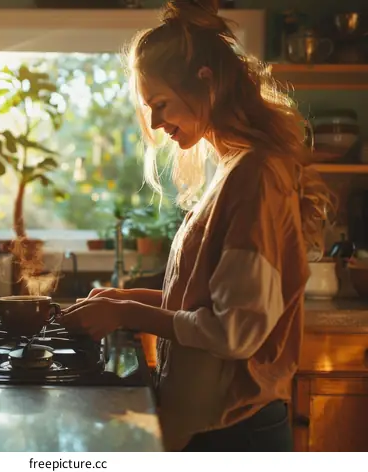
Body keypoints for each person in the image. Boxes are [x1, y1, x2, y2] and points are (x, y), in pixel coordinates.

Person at [58, 0, 335, 452]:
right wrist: (124, 297)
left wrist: (127, 313)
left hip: (237, 432)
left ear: (205, 80)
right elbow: (203, 302)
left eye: (160, 103)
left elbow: (233, 331)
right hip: (216, 423)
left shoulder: (256, 174)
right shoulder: (232, 169)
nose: (154, 122)